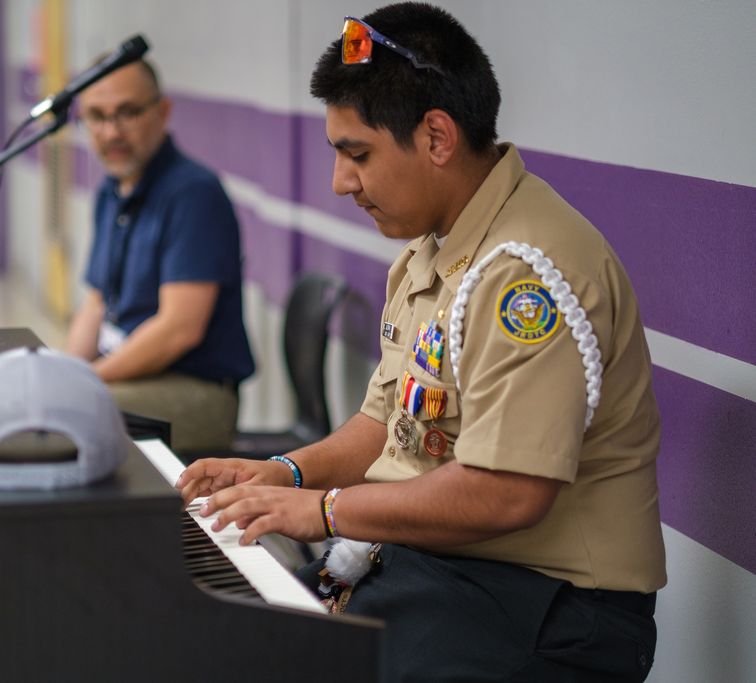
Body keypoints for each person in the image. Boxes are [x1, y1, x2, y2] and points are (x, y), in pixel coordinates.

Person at [176, 4, 666, 681]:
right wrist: (285, 474)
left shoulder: (524, 276)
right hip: (442, 566)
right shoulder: (430, 256)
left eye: (358, 154)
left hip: (549, 608)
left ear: (437, 137)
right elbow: (386, 423)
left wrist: (324, 509)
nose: (341, 182)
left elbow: (507, 494)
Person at [64, 56, 254, 453]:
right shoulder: (110, 191)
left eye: (128, 112)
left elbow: (178, 329)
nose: (111, 131)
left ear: (162, 111)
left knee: (66, 416)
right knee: (47, 402)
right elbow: (96, 303)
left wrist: (85, 383)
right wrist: (65, 374)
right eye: (96, 116)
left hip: (194, 392)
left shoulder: (193, 194)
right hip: (128, 376)